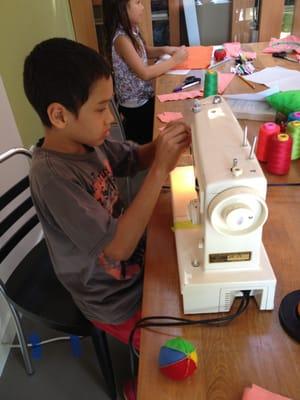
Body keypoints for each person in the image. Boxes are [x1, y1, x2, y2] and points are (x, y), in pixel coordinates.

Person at [23, 37, 190, 398]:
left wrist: (161, 146)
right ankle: (139, 386)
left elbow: (134, 159)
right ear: (59, 115)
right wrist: (161, 169)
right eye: (101, 109)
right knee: (179, 348)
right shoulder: (53, 176)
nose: (111, 118)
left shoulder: (88, 142)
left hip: (133, 262)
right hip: (107, 295)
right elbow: (117, 247)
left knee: (192, 292)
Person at [103, 0, 188, 145]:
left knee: (173, 109)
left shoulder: (131, 30)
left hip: (144, 97)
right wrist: (175, 60)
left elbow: (144, 51)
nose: (142, 7)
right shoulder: (122, 39)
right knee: (162, 131)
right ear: (122, 9)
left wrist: (165, 49)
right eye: (138, 3)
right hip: (135, 107)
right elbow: (145, 73)